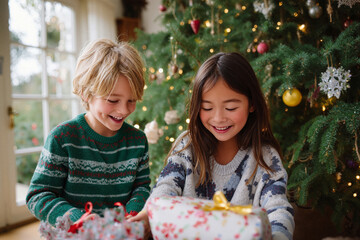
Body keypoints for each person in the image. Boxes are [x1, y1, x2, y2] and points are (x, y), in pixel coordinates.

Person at [128, 52, 295, 240]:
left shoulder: (265, 157)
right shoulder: (187, 147)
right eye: (207, 108)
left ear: (252, 104)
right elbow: (164, 190)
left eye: (231, 108)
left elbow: (278, 208)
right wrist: (144, 218)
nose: (218, 118)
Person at [26, 39, 151, 226]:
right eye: (113, 100)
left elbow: (141, 188)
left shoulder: (138, 141)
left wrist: (133, 211)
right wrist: (75, 218)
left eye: (131, 100)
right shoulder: (62, 138)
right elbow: (38, 196)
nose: (124, 110)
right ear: (86, 93)